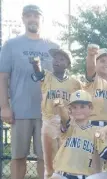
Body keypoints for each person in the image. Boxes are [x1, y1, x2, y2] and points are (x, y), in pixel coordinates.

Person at [0, 4, 59, 179]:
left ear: (42, 19)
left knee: (46, 158)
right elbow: (2, 77)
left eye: (36, 16)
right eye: (28, 16)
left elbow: (60, 80)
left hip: (47, 113)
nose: (32, 19)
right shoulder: (11, 45)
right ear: (23, 19)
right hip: (20, 110)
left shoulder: (54, 46)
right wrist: (4, 106)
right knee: (18, 157)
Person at [30, 48, 82, 178]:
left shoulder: (75, 83)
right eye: (55, 58)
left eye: (61, 59)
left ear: (68, 64)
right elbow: (38, 73)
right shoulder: (47, 76)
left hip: (68, 124)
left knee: (67, 160)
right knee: (50, 163)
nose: (57, 61)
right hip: (49, 121)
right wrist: (35, 64)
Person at [50, 90, 107, 179]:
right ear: (70, 110)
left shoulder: (98, 131)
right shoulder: (69, 127)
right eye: (74, 107)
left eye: (82, 107)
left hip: (87, 177)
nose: (78, 110)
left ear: (91, 108)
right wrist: (60, 107)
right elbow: (64, 118)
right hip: (61, 175)